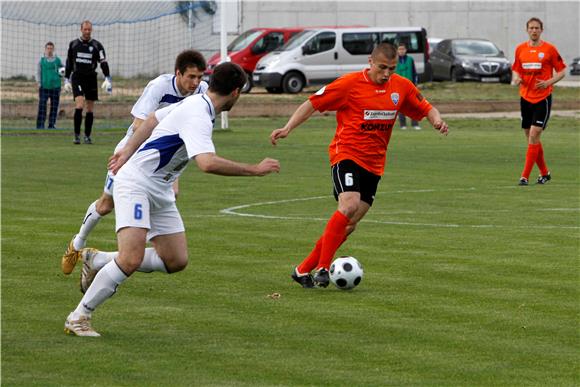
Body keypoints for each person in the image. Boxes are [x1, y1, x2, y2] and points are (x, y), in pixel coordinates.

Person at [63, 62, 280, 337]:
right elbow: (207, 163)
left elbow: (153, 118)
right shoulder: (199, 113)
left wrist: (128, 148)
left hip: (160, 189)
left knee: (175, 259)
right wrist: (254, 169)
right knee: (130, 259)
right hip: (137, 184)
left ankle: (98, 259)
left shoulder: (197, 103)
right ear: (236, 92)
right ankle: (79, 316)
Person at [270, 43, 448, 289]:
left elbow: (427, 108)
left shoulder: (401, 86)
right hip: (347, 155)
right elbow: (313, 102)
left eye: (391, 69)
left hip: (374, 165)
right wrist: (288, 127)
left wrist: (437, 120)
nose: (386, 74)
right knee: (349, 204)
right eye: (382, 67)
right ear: (370, 62)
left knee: (350, 224)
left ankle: (302, 270)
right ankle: (323, 267)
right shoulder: (349, 84)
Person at [61, 49, 209, 283]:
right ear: (178, 73)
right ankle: (77, 244)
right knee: (105, 204)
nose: (196, 83)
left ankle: (130, 250)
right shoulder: (160, 86)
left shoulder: (201, 92)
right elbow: (140, 123)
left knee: (173, 194)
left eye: (200, 77)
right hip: (133, 149)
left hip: (165, 158)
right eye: (191, 77)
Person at [512, 17, 566, 186]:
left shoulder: (549, 49)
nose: (534, 30)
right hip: (525, 98)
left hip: (543, 98)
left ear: (541, 30)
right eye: (531, 28)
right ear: (527, 30)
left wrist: (548, 82)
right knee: (530, 137)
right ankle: (544, 173)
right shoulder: (520, 49)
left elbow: (562, 71)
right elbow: (516, 70)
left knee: (535, 135)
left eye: (537, 28)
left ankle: (524, 177)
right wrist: (516, 78)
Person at [64, 20, 111, 144]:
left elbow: (103, 62)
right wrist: (66, 79)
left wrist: (107, 77)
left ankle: (87, 136)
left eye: (89, 29)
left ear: (91, 30)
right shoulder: (73, 44)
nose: (87, 32)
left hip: (91, 78)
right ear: (81, 29)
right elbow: (69, 62)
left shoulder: (97, 46)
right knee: (79, 105)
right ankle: (76, 135)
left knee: (90, 108)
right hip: (77, 77)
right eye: (85, 29)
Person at [36, 42, 63, 129]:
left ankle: (52, 125)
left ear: (53, 49)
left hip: (55, 87)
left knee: (54, 107)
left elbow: (63, 70)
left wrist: (62, 74)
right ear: (45, 49)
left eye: (51, 48)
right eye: (48, 48)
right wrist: (39, 83)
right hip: (44, 87)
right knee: (42, 106)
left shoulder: (58, 60)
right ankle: (40, 125)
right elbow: (38, 73)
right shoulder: (41, 61)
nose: (49, 50)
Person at [395, 42, 420, 130]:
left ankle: (415, 124)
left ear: (406, 50)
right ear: (397, 51)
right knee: (401, 106)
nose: (401, 51)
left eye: (403, 49)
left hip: (410, 86)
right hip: (398, 87)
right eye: (399, 49)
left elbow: (414, 72)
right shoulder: (394, 60)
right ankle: (403, 125)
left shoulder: (410, 59)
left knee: (413, 105)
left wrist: (415, 84)